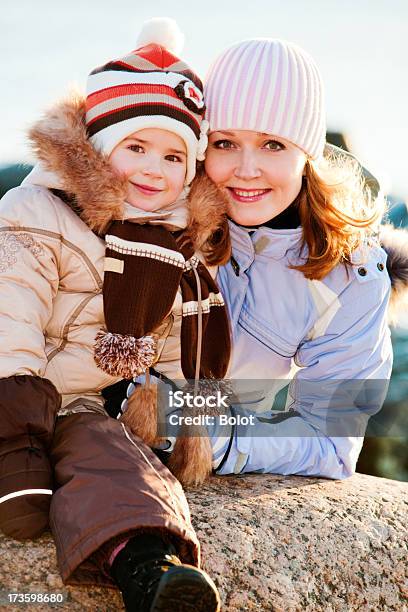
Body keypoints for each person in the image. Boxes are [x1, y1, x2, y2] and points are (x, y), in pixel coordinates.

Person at [0, 19, 229, 612]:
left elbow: (179, 345)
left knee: (111, 458)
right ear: (100, 148)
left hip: (75, 405)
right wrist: (18, 442)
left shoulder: (172, 246)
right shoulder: (36, 213)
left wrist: (187, 427)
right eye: (136, 147)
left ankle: (146, 566)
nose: (154, 169)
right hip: (11, 390)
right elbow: (10, 319)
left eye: (174, 155)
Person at [198, 37, 396, 479]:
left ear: (307, 154)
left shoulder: (350, 274)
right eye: (225, 143)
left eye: (273, 145)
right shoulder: (159, 216)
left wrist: (204, 432)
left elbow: (331, 440)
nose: (246, 169)